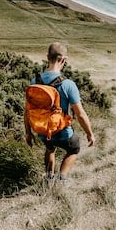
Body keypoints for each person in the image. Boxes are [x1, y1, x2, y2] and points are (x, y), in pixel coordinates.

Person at [24, 41, 95, 180]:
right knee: (74, 149)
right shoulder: (68, 84)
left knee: (50, 149)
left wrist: (28, 133)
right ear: (63, 60)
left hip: (43, 131)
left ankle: (49, 177)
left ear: (47, 57)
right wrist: (89, 133)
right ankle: (62, 179)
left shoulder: (34, 82)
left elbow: (27, 110)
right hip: (62, 132)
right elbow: (80, 114)